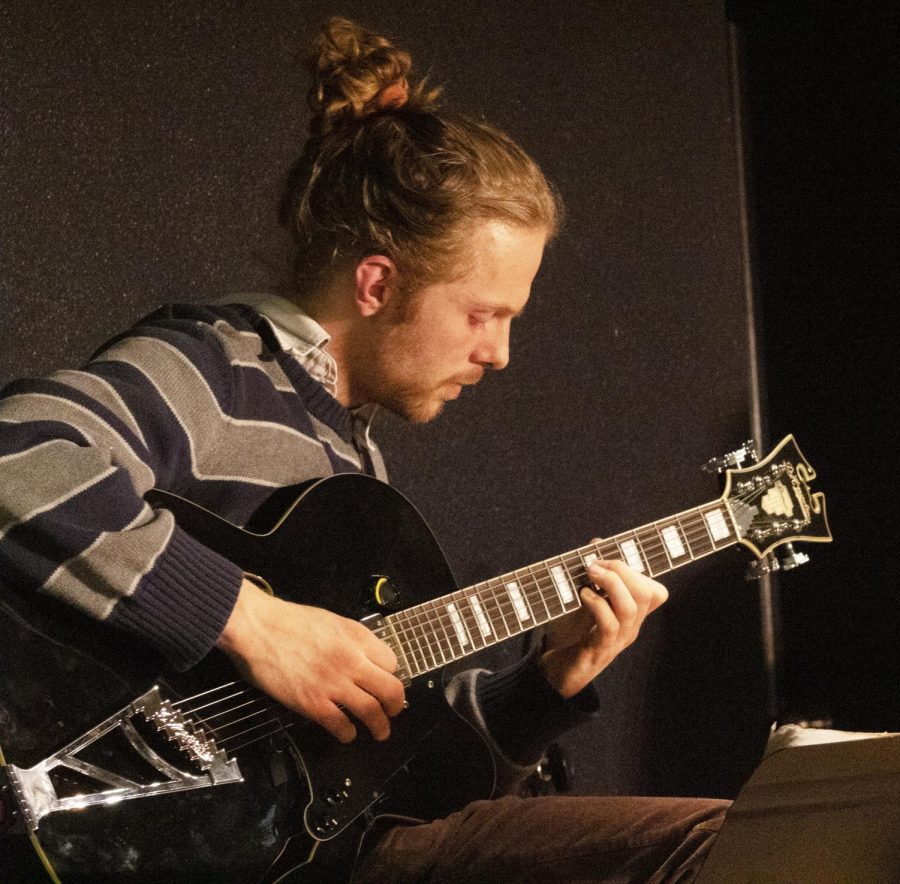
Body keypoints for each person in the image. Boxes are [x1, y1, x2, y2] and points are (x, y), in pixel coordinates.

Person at [0, 16, 729, 883]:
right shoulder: (216, 371)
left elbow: (410, 781)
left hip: (308, 851)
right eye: (483, 314)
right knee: (708, 845)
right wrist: (253, 622)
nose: (499, 353)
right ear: (378, 284)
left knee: (737, 839)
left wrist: (547, 680)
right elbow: (18, 450)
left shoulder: (347, 459)